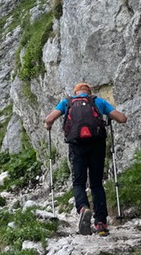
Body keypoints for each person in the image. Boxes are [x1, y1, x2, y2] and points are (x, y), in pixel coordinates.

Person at [43, 82, 127, 236]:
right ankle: (101, 223)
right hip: (97, 145)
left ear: (76, 93)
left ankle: (83, 208)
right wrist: (109, 117)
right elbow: (122, 118)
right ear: (89, 92)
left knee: (79, 182)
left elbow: (49, 119)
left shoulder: (67, 102)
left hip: (77, 146)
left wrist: (48, 125)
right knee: (96, 183)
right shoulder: (98, 101)